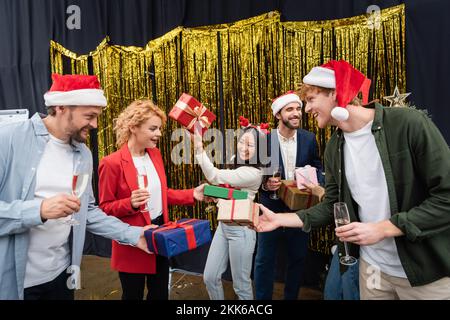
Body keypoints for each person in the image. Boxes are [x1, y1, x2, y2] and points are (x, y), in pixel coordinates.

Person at [257, 60, 450, 300]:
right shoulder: (334, 147)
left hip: (424, 273)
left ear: (335, 93)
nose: (306, 110)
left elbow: (445, 197)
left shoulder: (408, 124)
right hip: (373, 271)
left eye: (311, 99)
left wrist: (383, 229)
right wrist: (279, 218)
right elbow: (331, 205)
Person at [0, 74, 151, 300]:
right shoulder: (9, 139)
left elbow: (87, 210)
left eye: (97, 117)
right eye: (89, 116)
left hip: (63, 275)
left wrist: (134, 235)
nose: (95, 125)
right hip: (15, 282)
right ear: (60, 107)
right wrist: (38, 211)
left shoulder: (83, 154)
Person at [98, 99, 207, 300]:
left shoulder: (155, 154)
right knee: (133, 295)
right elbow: (103, 209)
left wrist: (192, 194)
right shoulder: (111, 163)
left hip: (160, 233)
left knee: (159, 294)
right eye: (153, 128)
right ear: (133, 127)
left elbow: (161, 193)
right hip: (133, 239)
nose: (159, 134)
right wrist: (129, 203)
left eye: (160, 129)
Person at [253, 91, 324, 300]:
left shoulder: (309, 138)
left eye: (298, 108)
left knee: (298, 258)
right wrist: (265, 185)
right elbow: (252, 175)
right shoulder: (263, 141)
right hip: (270, 209)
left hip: (300, 210)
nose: (296, 113)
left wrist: (313, 177)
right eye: (290, 109)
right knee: (264, 260)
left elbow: (319, 166)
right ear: (278, 115)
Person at [192, 117, 265, 300]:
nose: (244, 148)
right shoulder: (236, 160)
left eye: (251, 145)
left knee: (241, 285)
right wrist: (215, 194)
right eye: (242, 141)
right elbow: (231, 192)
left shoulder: (254, 173)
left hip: (242, 231)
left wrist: (199, 148)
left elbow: (215, 176)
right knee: (210, 277)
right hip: (224, 225)